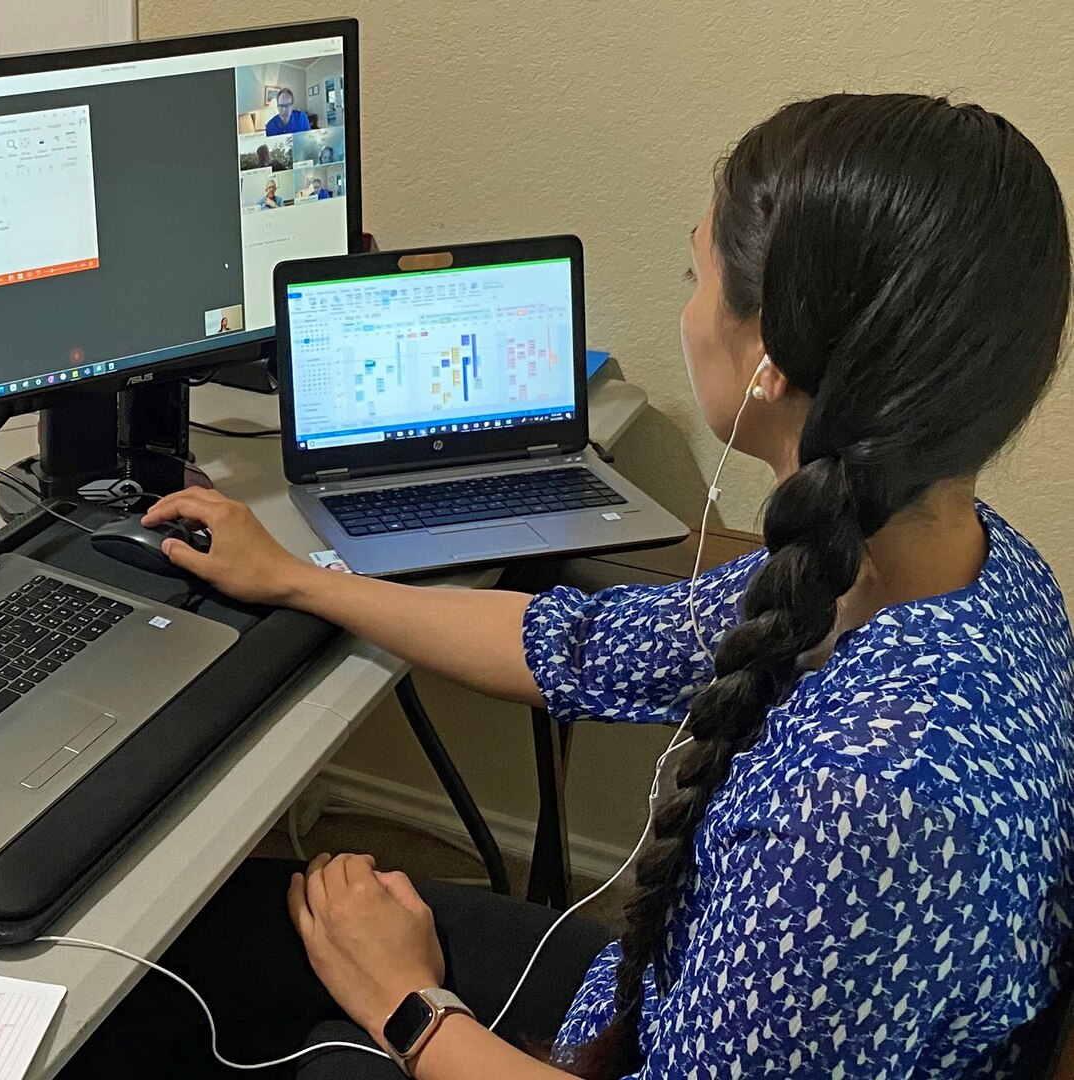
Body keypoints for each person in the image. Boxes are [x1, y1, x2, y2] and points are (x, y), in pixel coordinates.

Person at [62, 94, 1074, 1079]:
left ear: (768, 358)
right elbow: (579, 646)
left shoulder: (866, 800)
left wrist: (408, 1008)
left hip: (641, 1034)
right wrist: (301, 580)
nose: (685, 305)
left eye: (694, 272)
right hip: (659, 1004)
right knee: (212, 942)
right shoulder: (962, 565)